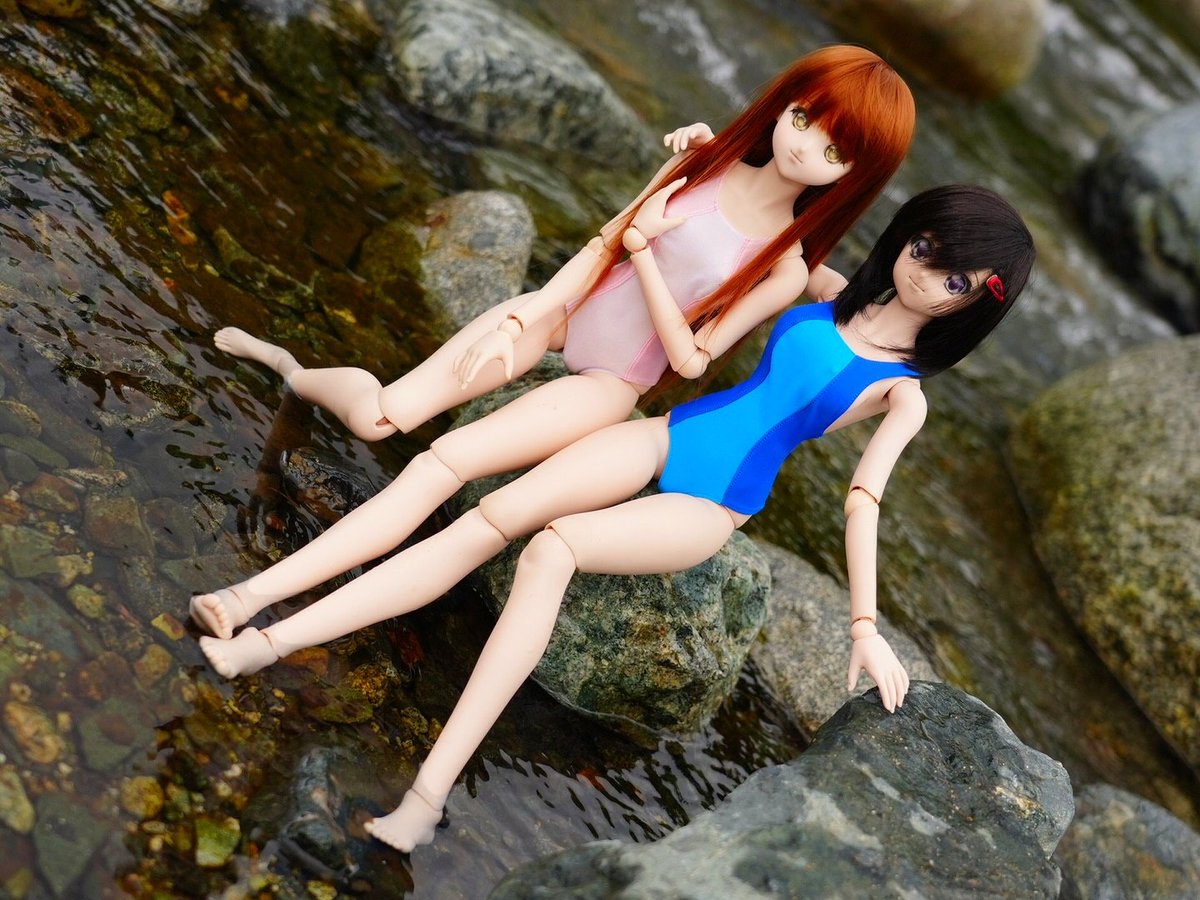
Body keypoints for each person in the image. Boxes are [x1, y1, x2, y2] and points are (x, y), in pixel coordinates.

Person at [198, 184, 1037, 853]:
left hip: (714, 501)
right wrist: (708, 159)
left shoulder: (903, 393)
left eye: (955, 281)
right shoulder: (828, 289)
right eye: (927, 249)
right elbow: (748, 234)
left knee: (551, 550)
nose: (929, 276)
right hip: (665, 434)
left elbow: (864, 501)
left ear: (973, 306)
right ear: (907, 236)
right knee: (489, 516)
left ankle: (426, 795)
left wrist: (863, 625)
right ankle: (268, 639)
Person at [190, 46, 916, 640]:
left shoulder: (785, 268)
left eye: (833, 150)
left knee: (441, 465)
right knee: (380, 416)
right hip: (563, 312)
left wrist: (646, 254)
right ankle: (294, 371)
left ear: (853, 177)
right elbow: (603, 245)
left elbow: (692, 359)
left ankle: (252, 596)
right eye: (802, 117)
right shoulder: (702, 162)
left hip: (613, 380)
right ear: (782, 103)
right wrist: (525, 318)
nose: (803, 146)